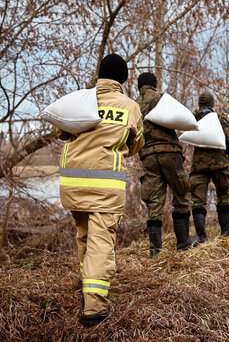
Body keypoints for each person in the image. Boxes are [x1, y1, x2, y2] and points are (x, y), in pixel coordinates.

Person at [55, 54, 144, 327]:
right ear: (124, 79)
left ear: (99, 75)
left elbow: (62, 133)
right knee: (100, 243)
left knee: (84, 236)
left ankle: (88, 291)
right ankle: (94, 308)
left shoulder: (81, 101)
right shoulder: (129, 107)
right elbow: (136, 144)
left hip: (72, 183)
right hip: (106, 186)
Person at [136, 72, 198, 258]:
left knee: (154, 202)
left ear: (139, 86)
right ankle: (183, 244)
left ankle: (155, 252)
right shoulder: (162, 99)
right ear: (155, 85)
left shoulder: (133, 105)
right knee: (181, 194)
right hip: (169, 153)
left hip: (148, 156)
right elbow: (183, 118)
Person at [189, 91, 229, 242]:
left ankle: (201, 236)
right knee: (223, 196)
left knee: (198, 201)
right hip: (220, 165)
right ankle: (225, 231)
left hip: (199, 166)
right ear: (212, 104)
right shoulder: (221, 118)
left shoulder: (194, 118)